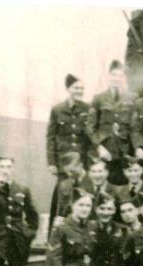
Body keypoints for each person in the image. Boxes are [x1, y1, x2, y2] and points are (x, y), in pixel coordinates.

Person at [46, 74, 92, 234]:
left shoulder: (88, 109)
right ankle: (57, 233)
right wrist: (51, 162)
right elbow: (51, 137)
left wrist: (89, 163)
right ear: (68, 89)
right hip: (63, 163)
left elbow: (89, 137)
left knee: (83, 196)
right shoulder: (57, 110)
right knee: (63, 197)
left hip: (81, 162)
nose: (79, 91)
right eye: (76, 88)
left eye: (81, 88)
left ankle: (81, 232)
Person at [87, 60, 138, 149]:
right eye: (114, 75)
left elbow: (135, 128)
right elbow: (90, 127)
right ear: (108, 76)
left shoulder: (132, 98)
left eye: (120, 76)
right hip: (104, 147)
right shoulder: (98, 98)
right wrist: (98, 146)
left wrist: (137, 148)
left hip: (124, 147)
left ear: (124, 78)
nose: (116, 79)